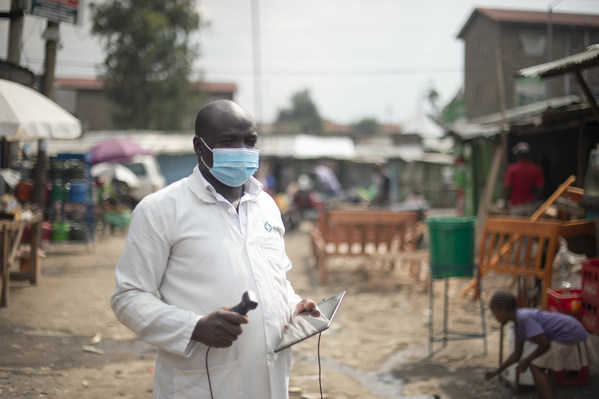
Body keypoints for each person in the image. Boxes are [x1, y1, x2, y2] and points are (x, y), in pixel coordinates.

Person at [110, 100, 317, 398]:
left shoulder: (266, 206)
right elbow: (128, 297)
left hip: (270, 378)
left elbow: (277, 278)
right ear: (199, 146)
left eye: (250, 141)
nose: (243, 150)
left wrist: (292, 306)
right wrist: (193, 327)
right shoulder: (161, 209)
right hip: (202, 382)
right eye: (229, 142)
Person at [484, 291, 596, 399]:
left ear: (502, 309)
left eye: (495, 313)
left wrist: (526, 361)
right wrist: (497, 371)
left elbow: (544, 344)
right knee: (538, 365)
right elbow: (516, 354)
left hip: (569, 332)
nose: (496, 317)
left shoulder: (523, 318)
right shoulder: (518, 326)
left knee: (536, 366)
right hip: (567, 332)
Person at [503, 142, 545, 216]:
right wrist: (536, 201)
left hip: (516, 207)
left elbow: (508, 188)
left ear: (518, 155)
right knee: (530, 227)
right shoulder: (536, 169)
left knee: (517, 227)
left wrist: (505, 203)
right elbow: (540, 189)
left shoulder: (512, 169)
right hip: (531, 206)